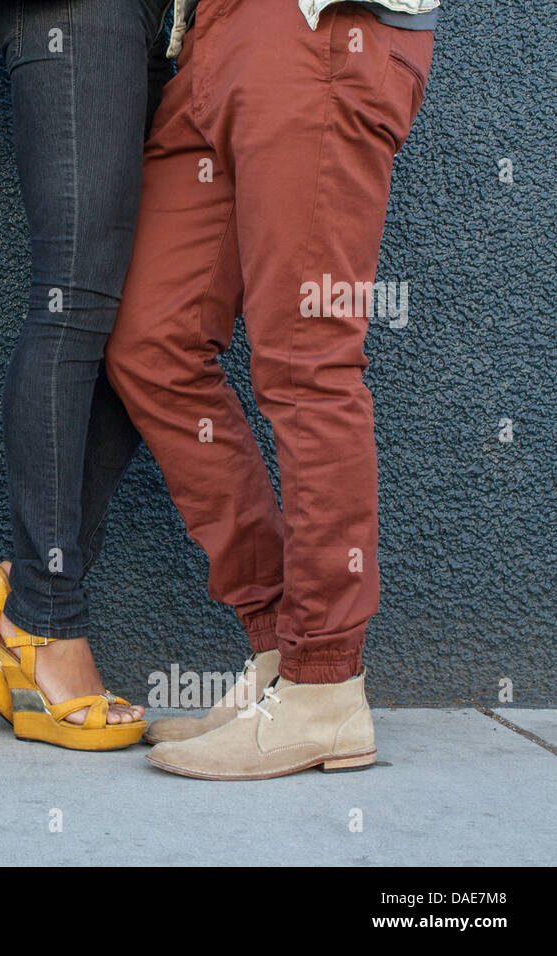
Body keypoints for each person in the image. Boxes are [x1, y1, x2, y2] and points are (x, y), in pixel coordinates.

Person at [104, 0, 439, 779]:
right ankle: (276, 654)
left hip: (319, 26)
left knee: (306, 361)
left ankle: (324, 686)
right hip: (213, 42)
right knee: (153, 344)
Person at [0, 0, 171, 751]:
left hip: (185, 20)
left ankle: (27, 603)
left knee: (158, 334)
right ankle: (46, 621)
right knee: (75, 301)